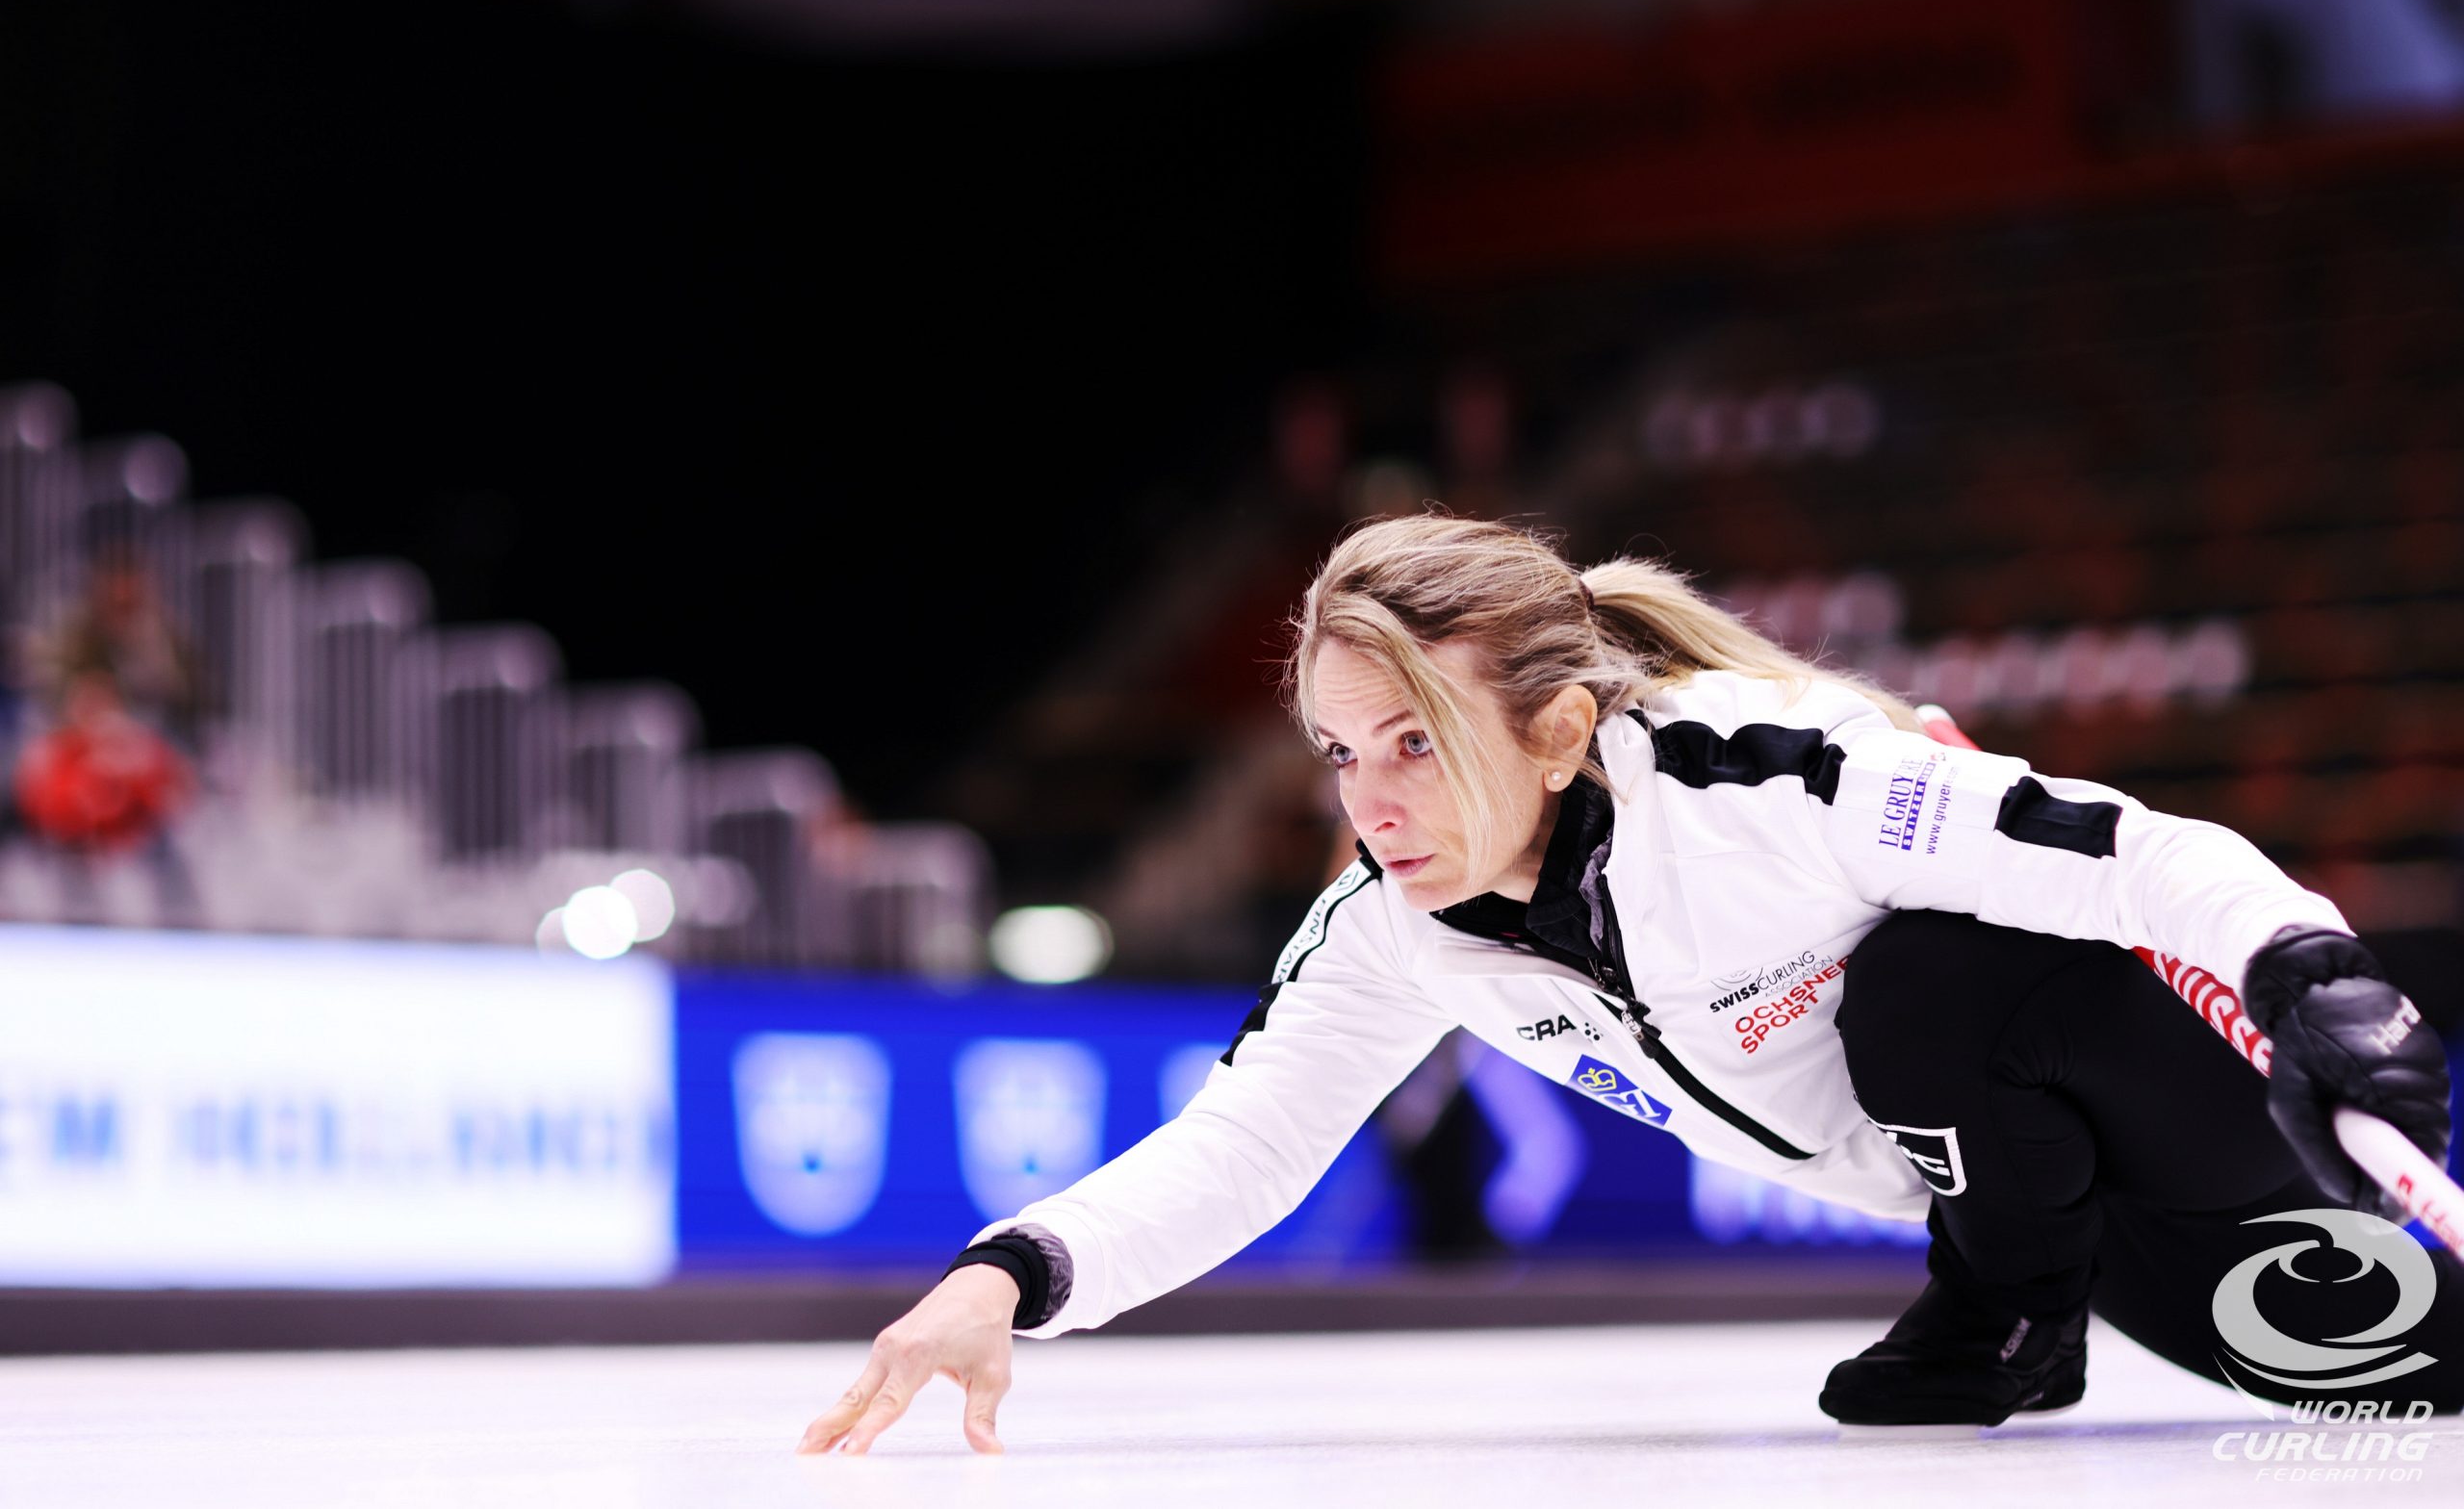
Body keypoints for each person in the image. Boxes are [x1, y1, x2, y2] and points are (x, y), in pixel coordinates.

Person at [799, 514, 2457, 1455]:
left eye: (1417, 748)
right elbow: (1244, 1147)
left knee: (1931, 993)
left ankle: (2007, 1308)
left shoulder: (1769, 781)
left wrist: (2319, 982)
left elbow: (2128, 854)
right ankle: (2024, 1293)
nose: (1372, 806)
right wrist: (1007, 1280)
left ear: (1555, 727)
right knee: (2380, 1367)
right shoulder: (1397, 925)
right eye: (1338, 754)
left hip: (2179, 1078)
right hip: (2059, 1206)